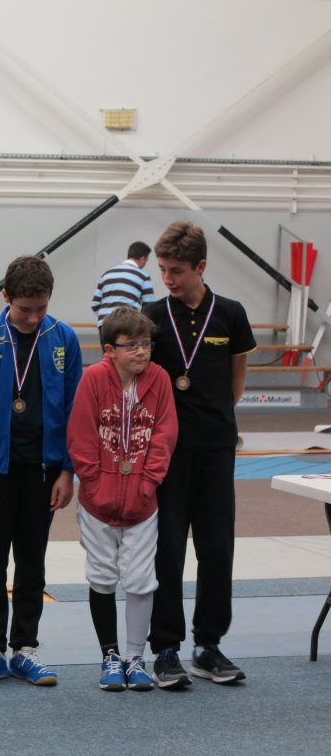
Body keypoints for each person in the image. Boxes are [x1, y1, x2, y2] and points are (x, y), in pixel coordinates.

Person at [0, 255, 82, 687]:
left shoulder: (63, 337)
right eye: (25, 309)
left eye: (41, 309)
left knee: (33, 561)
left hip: (44, 472)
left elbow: (75, 410)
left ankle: (25, 648)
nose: (33, 318)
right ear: (7, 297)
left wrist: (68, 471)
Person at [143, 221, 255, 688]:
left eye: (177, 271)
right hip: (167, 451)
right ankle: (165, 649)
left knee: (216, 548)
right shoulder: (151, 315)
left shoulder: (230, 314)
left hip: (216, 447)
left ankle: (208, 647)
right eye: (163, 270)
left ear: (201, 266)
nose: (167, 279)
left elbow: (236, 376)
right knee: (166, 550)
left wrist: (218, 419)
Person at [67, 307, 178, 692]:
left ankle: (135, 657)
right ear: (110, 349)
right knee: (102, 577)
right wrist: (94, 483)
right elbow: (81, 435)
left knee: (142, 580)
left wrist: (149, 482)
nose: (141, 352)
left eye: (146, 344)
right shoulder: (93, 379)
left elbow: (165, 434)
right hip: (97, 503)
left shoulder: (159, 379)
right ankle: (110, 656)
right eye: (131, 345)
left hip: (143, 503)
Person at [91, 241, 155, 339]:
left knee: (108, 349)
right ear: (143, 258)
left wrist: (107, 317)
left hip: (104, 324)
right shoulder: (143, 276)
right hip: (128, 324)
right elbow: (149, 307)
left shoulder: (106, 274)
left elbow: (94, 304)